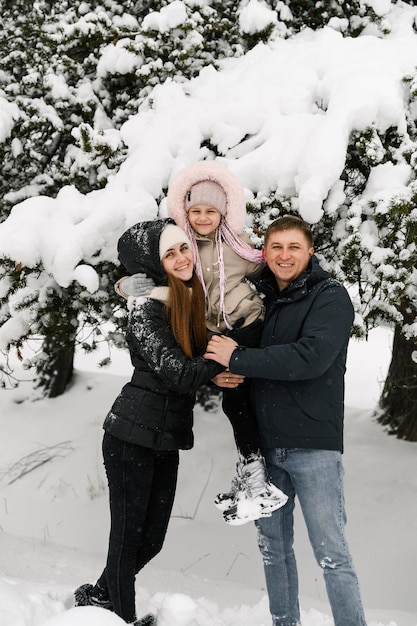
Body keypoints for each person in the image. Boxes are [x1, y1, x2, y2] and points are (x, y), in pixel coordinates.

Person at [204, 215, 368, 626]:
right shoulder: (260, 298)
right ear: (265, 252)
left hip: (313, 445)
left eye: (294, 247)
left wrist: (238, 358)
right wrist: (223, 373)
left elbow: (309, 359)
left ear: (310, 251)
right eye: (276, 247)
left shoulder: (329, 297)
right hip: (265, 450)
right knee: (273, 550)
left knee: (332, 553)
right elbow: (239, 358)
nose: (284, 255)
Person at [73, 218, 237, 626]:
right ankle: (121, 617)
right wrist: (215, 364)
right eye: (170, 253)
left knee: (152, 539)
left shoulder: (184, 296)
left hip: (164, 436)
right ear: (154, 262)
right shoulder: (146, 310)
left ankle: (99, 596)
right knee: (128, 537)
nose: (182, 258)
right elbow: (177, 372)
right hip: (130, 434)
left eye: (184, 248)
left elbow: (191, 363)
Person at [117, 160, 287, 525]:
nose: (204, 217)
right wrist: (129, 286)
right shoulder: (184, 248)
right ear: (184, 212)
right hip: (216, 337)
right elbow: (156, 277)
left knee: (242, 398)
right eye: (195, 210)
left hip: (248, 325)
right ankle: (253, 475)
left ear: (225, 212)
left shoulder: (237, 249)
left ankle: (258, 479)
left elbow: (271, 269)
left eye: (212, 210)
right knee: (235, 401)